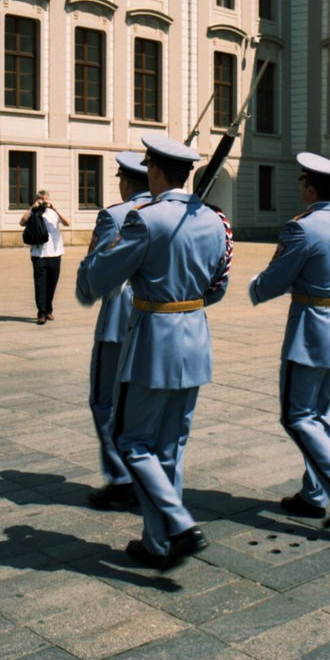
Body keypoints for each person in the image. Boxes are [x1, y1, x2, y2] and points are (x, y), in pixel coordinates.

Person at [76, 133, 232, 570]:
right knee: (171, 445)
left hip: (152, 343)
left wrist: (90, 270)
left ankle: (179, 525)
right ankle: (158, 542)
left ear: (156, 172)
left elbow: (100, 278)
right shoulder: (215, 220)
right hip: (196, 339)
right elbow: (218, 287)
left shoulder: (144, 220)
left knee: (131, 441)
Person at [249, 152, 330, 529]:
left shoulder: (299, 228)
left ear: (309, 187)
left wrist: (256, 287)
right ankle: (314, 494)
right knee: (319, 414)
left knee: (297, 416)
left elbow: (275, 281)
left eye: (303, 181)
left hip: (310, 330)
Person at [76, 152, 151, 510]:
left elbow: (96, 268)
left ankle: (122, 478)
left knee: (104, 400)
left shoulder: (116, 215)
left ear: (125, 181)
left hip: (119, 320)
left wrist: (84, 288)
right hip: (157, 320)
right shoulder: (168, 212)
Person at [20, 191, 69, 325]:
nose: (44, 202)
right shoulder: (34, 212)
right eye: (41, 199)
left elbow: (67, 223)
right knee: (40, 284)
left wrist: (55, 208)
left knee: (52, 284)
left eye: (45, 199)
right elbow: (22, 222)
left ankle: (48, 310)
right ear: (37, 199)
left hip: (55, 253)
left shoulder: (54, 213)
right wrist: (32, 208)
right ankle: (41, 313)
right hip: (38, 254)